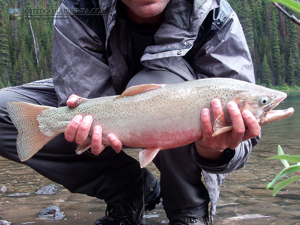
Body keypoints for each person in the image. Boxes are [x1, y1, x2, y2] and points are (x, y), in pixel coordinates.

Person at [0, 0, 261, 224]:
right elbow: (84, 101)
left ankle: (188, 210)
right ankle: (131, 190)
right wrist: (86, 133)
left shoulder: (213, 15)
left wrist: (214, 151)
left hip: (172, 99)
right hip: (108, 106)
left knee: (165, 91)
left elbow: (244, 143)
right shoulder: (79, 8)